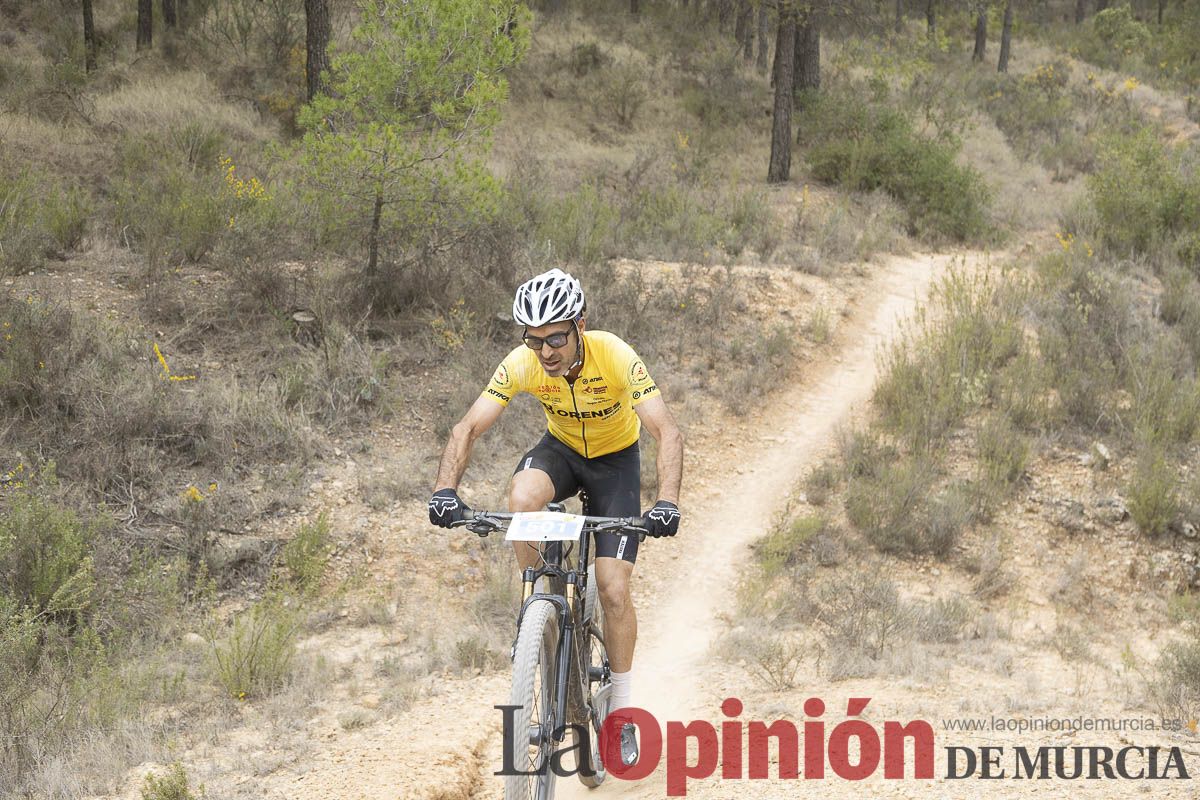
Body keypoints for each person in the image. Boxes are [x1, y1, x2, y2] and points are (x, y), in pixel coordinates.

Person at [428, 267, 684, 767]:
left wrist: (668, 500)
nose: (546, 352)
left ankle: (623, 714)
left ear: (580, 325)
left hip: (615, 466)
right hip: (562, 454)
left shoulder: (615, 355)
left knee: (612, 588)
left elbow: (667, 432)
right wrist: (444, 489)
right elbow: (469, 426)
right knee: (522, 496)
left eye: (556, 338)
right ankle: (537, 613)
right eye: (535, 339)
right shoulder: (523, 363)